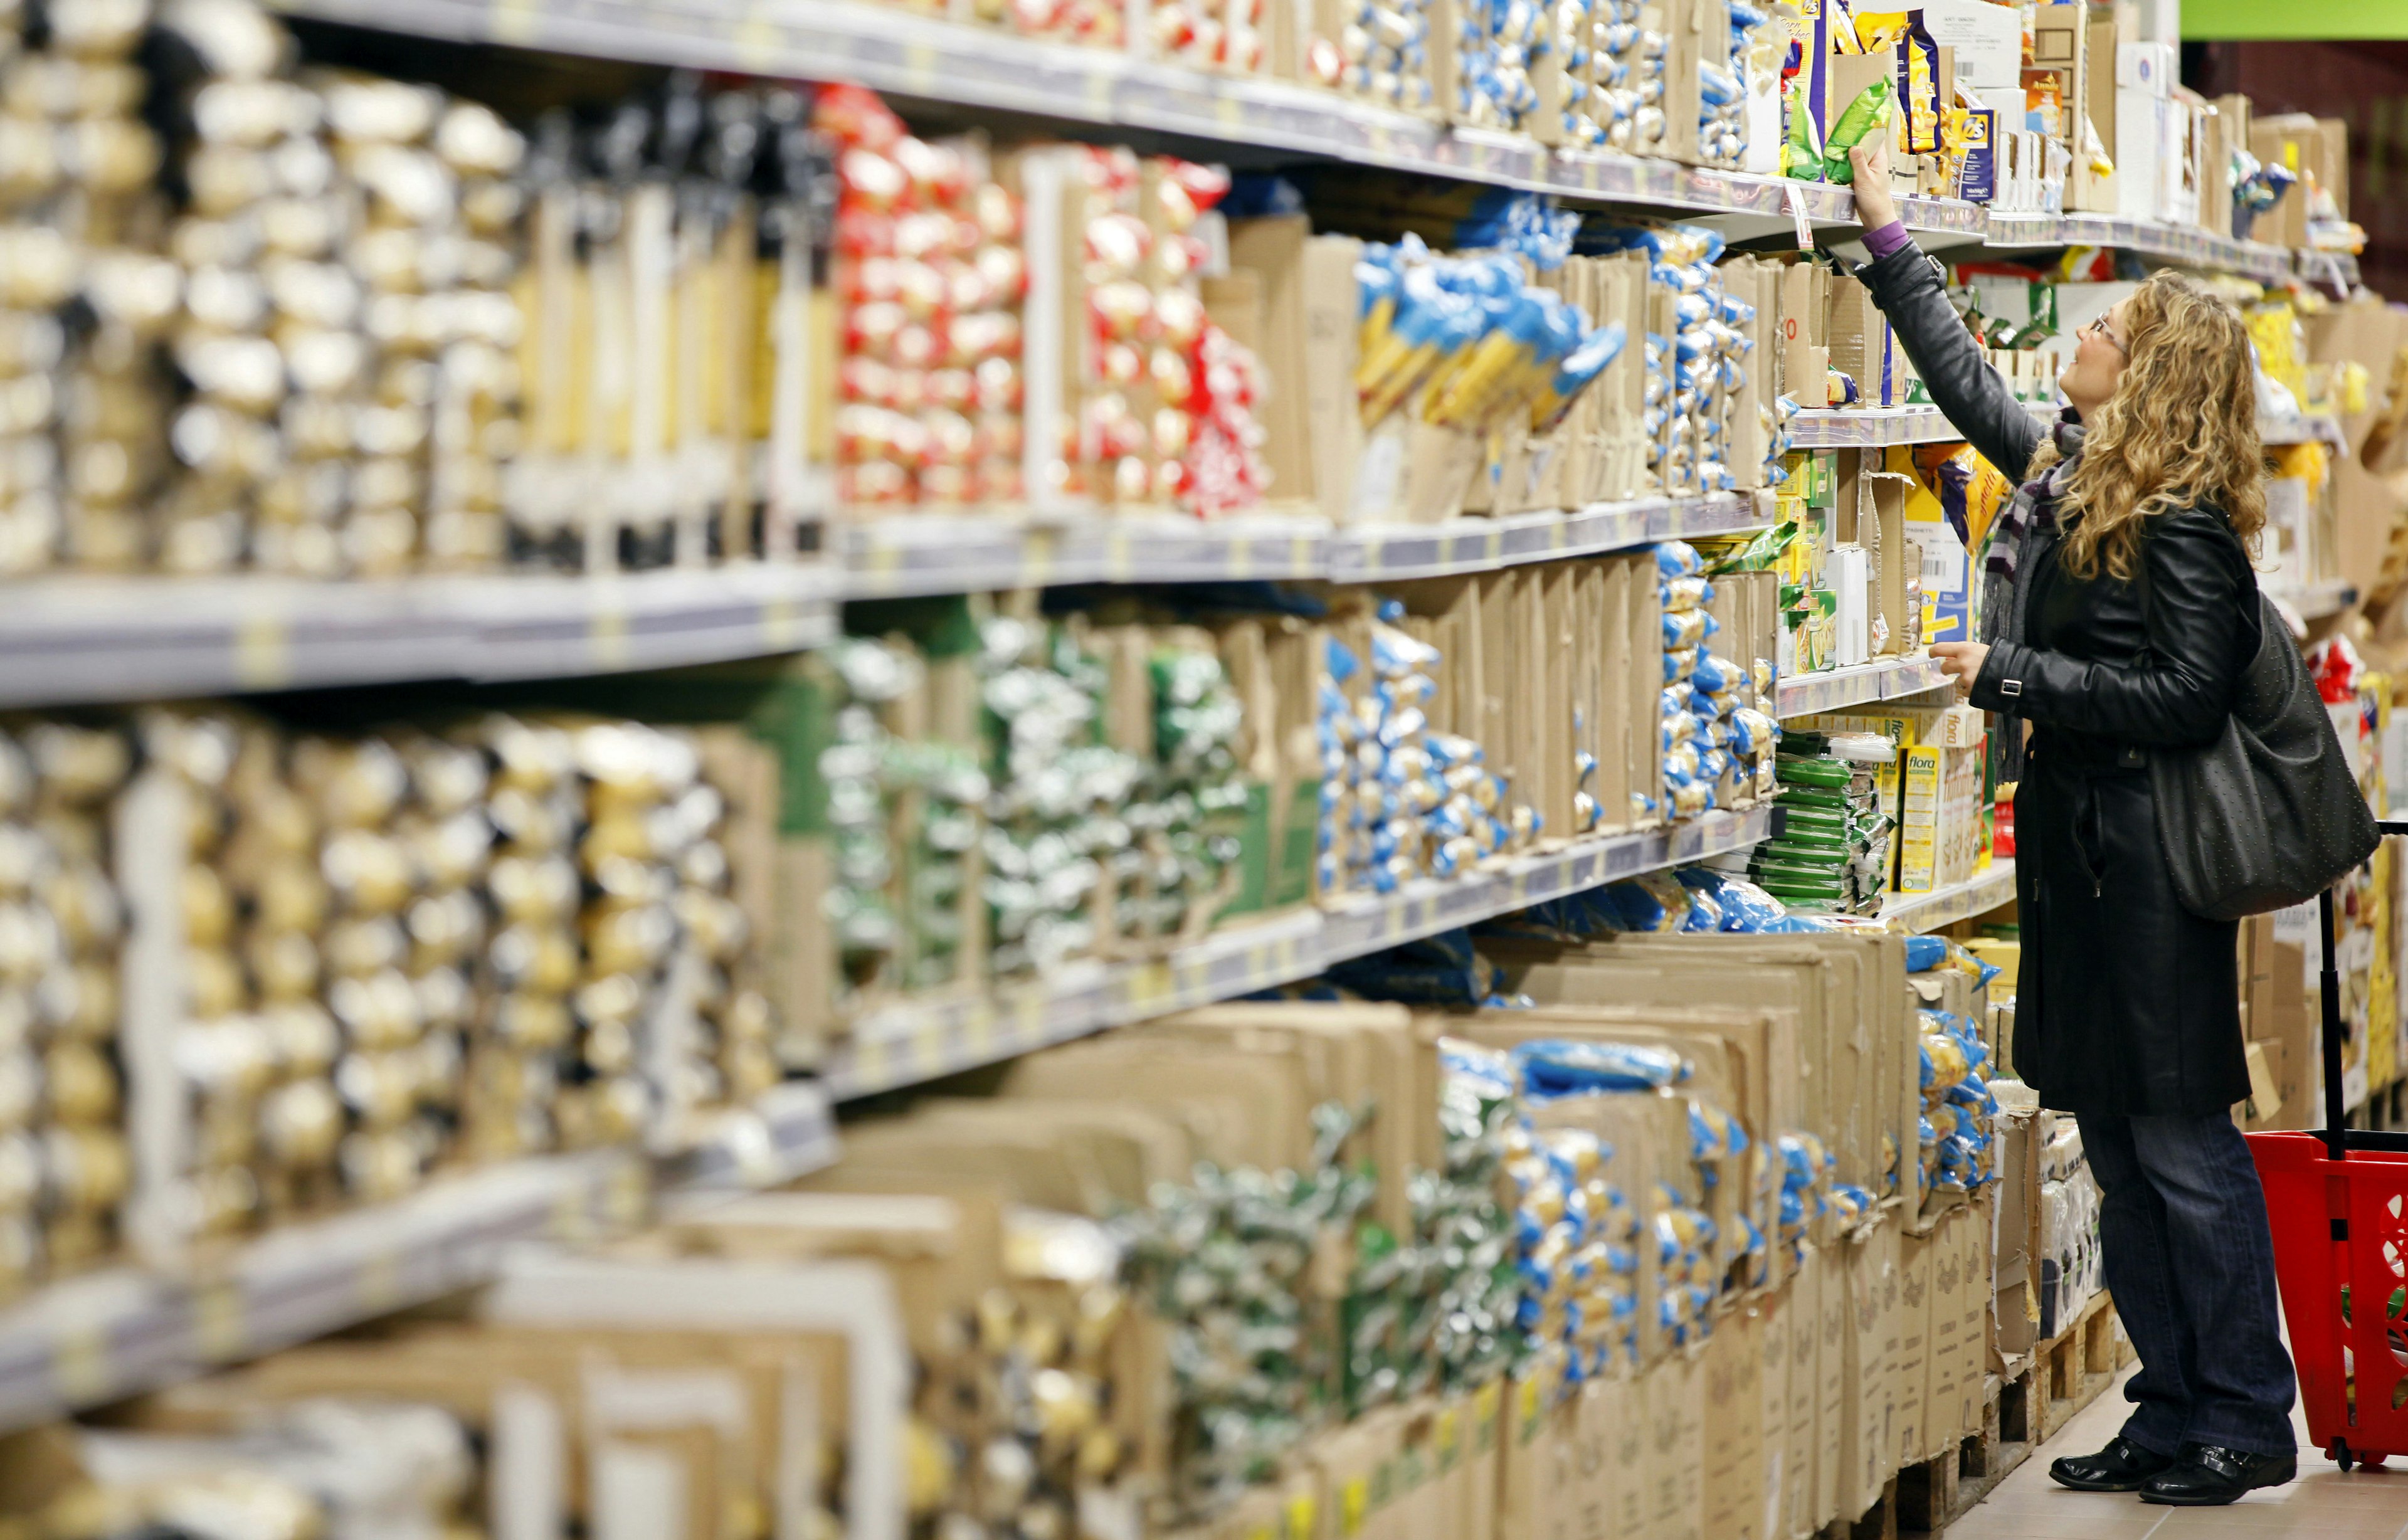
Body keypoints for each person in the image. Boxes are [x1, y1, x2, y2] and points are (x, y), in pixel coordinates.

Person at [1847, 135, 2298, 1506]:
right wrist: (1887, 244)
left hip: (2152, 870)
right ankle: (2168, 1407)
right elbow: (1969, 383)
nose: (2087, 331)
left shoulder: (2181, 526)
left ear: (2151, 380)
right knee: (2114, 1138)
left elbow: (2184, 693)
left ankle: (2245, 1413)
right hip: (2084, 866)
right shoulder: (2073, 480)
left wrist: (2013, 675)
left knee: (2182, 1144)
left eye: (2111, 328)